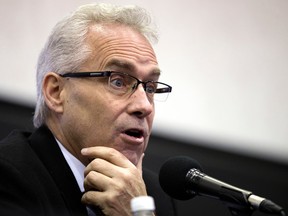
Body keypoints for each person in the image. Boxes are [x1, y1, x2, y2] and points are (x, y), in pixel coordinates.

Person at [0, 3, 175, 216]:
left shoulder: (150, 195)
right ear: (56, 92)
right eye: (118, 81)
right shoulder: (9, 175)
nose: (144, 106)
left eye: (150, 87)